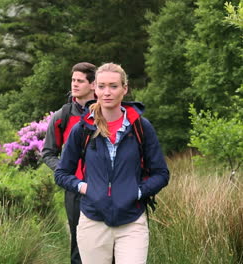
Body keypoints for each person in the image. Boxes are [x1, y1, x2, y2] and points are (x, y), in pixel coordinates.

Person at [54, 63, 169, 264]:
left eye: (114, 86)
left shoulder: (141, 127)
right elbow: (62, 173)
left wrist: (137, 192)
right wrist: (85, 188)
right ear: (95, 89)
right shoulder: (82, 129)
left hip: (132, 222)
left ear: (125, 89)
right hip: (92, 222)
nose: (107, 92)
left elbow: (161, 173)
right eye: (102, 86)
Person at [42, 62, 97, 264]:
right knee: (79, 245)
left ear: (93, 84)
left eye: (80, 81)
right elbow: (48, 152)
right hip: (75, 190)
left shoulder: (108, 111)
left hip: (106, 187)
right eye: (73, 80)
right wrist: (67, 174)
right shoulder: (62, 116)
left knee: (107, 243)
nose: (74, 84)